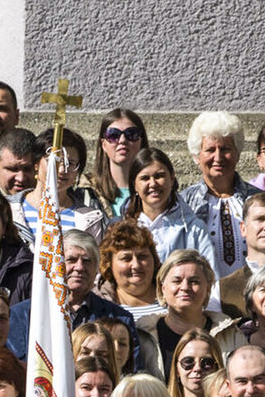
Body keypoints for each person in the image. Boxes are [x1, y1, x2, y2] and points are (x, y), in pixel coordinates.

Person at [6, 230, 137, 368]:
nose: (79, 267)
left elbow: (132, 374)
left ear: (97, 269)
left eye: (87, 261)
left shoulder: (121, 318)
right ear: (54, 265)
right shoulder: (20, 316)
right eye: (71, 260)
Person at [180, 112, 261, 282]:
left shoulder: (258, 199)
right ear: (197, 157)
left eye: (225, 149)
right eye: (210, 149)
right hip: (204, 301)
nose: (218, 157)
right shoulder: (183, 203)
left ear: (237, 153)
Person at [125, 147, 217, 264]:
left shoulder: (194, 229)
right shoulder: (124, 230)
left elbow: (211, 277)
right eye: (145, 178)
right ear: (134, 185)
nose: (153, 183)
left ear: (172, 179)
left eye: (159, 176)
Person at [99, 218, 165, 322]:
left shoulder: (174, 300)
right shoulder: (98, 307)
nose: (136, 265)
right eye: (126, 258)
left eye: (142, 256)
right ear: (109, 264)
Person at [87, 109, 149, 214]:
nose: (122, 140)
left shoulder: (155, 188)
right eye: (113, 135)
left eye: (131, 134)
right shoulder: (87, 192)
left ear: (141, 141)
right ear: (103, 144)